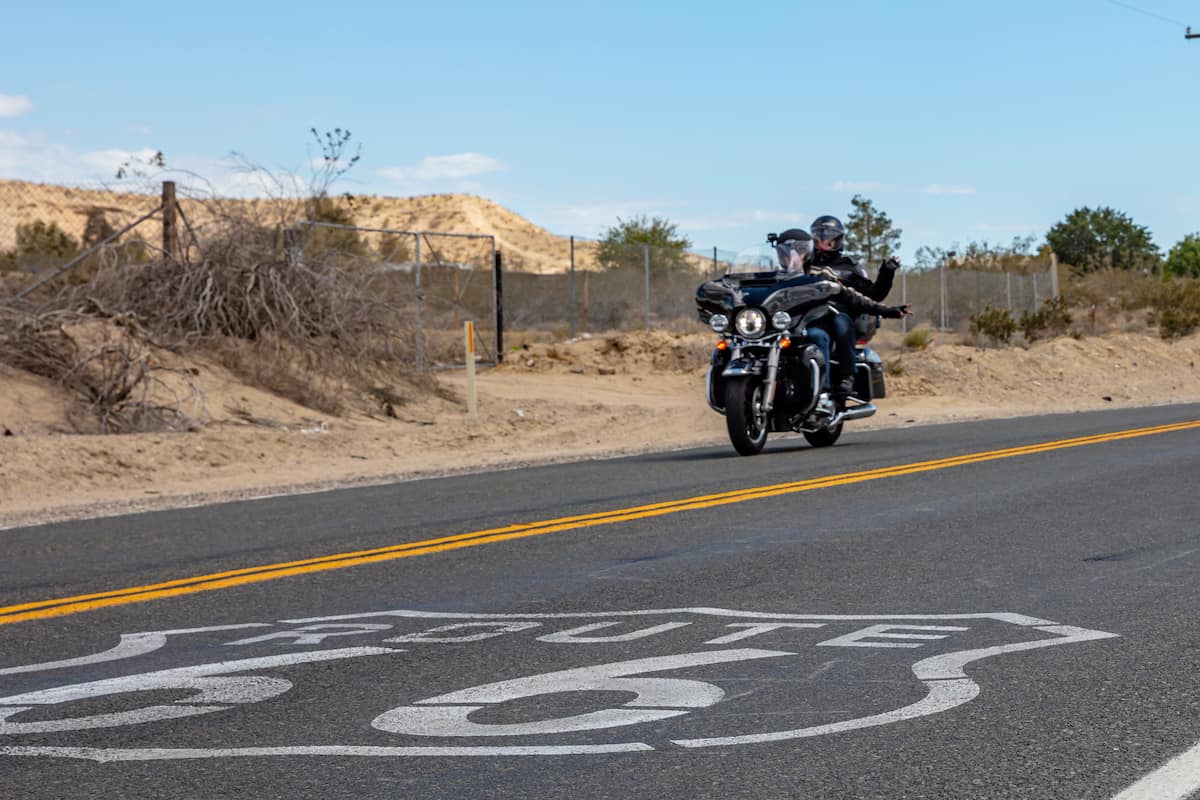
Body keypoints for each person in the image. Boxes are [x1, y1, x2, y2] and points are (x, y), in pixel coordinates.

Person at [773, 229, 909, 407]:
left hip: (832, 317)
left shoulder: (841, 268)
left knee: (836, 325)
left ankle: (834, 385)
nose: (823, 243)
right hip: (798, 322)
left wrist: (887, 279)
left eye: (828, 239)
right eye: (819, 238)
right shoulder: (784, 275)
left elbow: (867, 295)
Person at [808, 215, 903, 401]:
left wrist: (887, 272)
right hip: (810, 317)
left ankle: (846, 377)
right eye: (818, 235)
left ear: (837, 240)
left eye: (827, 236)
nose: (821, 240)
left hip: (839, 315)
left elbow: (873, 295)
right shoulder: (804, 264)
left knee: (840, 323)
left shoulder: (849, 267)